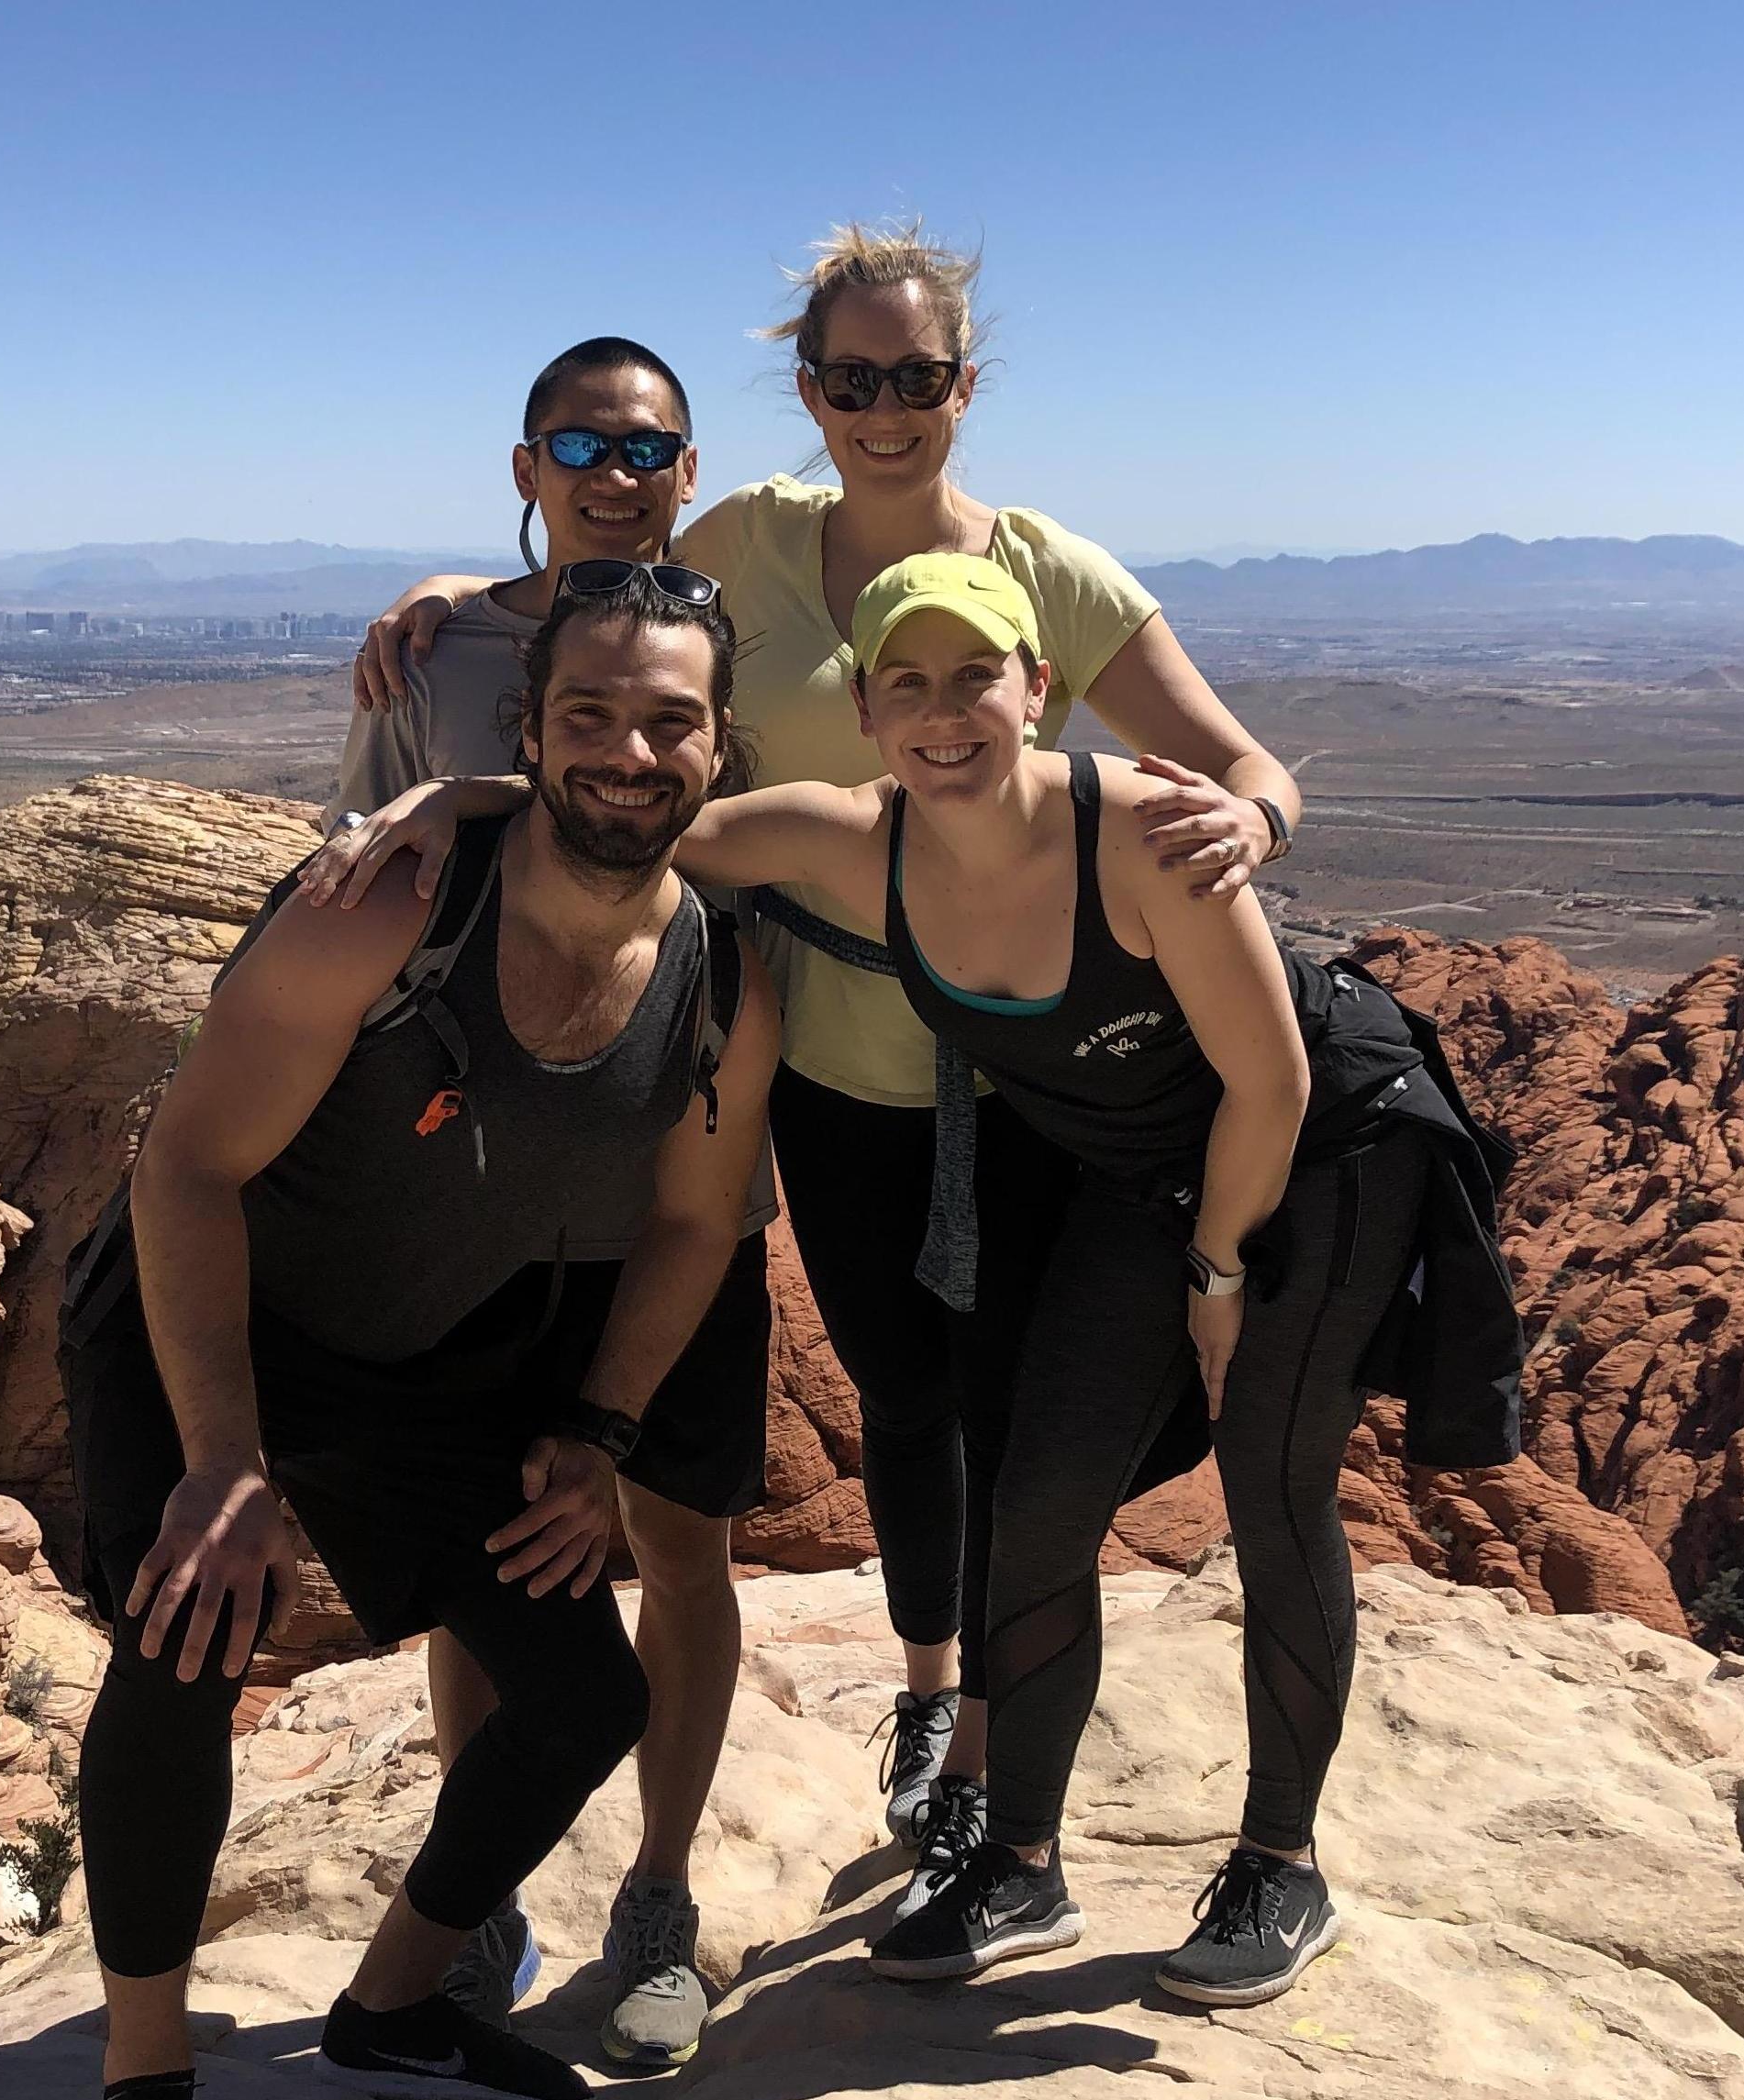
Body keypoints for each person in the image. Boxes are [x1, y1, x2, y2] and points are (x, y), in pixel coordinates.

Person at [387, 553, 1522, 2005]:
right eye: (904, 683)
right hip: (1147, 1173)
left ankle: (1279, 1864)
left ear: (1036, 690)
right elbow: (633, 827)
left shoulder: (1140, 831)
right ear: (862, 708)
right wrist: (451, 800)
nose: (942, 711)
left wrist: (1218, 1276)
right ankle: (1023, 1860)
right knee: (1040, 1495)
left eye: (974, 674)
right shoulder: (851, 838)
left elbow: (1272, 1077)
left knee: (1271, 1477)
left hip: (1318, 1149)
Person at [312, 223, 1306, 1874]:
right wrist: (447, 601)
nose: (882, 405)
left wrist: (1249, 829)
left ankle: (988, 1735)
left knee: (1009, 1413)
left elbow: (1240, 760)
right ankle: (927, 1699)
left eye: (914, 376)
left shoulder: (1050, 567)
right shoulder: (749, 538)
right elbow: (591, 597)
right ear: (808, 389)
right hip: (828, 1056)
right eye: (849, 378)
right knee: (903, 1402)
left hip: (1030, 1070)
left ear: (962, 385)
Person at [62, 565, 780, 2100]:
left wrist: (599, 1435)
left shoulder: (721, 974)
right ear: (527, 727)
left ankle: (389, 2004)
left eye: (671, 722)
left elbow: (692, 1222)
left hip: (411, 1355)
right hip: (209, 1307)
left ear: (722, 749)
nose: (629, 753)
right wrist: (224, 1458)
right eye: (588, 713)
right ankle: (143, 2064)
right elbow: (185, 1166)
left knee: (583, 1692)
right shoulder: (391, 900)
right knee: (184, 1625)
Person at [325, 335, 776, 2072]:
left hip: (677, 1167)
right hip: (487, 1194)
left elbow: (708, 825)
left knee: (681, 1538)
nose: (613, 466)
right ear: (524, 462)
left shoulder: (722, 635)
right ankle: (477, 1894)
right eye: (576, 440)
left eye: (645, 444)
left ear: (685, 467)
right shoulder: (436, 646)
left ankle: (656, 1901)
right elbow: (359, 866)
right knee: (482, 1556)